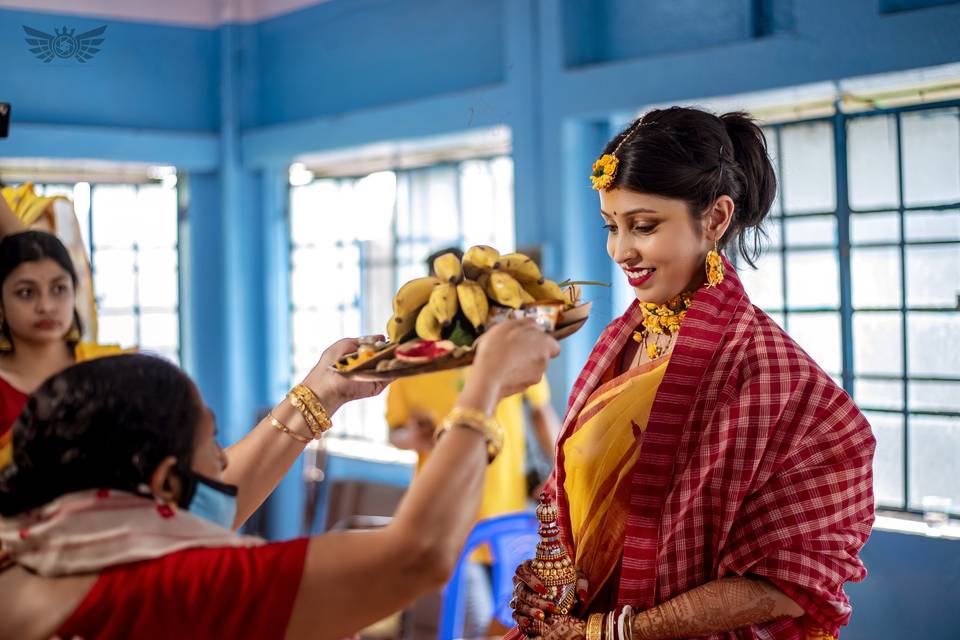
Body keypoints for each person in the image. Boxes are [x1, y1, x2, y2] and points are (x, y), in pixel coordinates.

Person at [508, 107, 875, 640]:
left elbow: (791, 582)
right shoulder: (617, 343)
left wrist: (610, 633)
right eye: (612, 226)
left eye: (644, 226)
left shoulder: (776, 379)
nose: (620, 250)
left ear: (715, 220)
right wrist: (553, 584)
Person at [0, 318, 560, 640]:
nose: (222, 463)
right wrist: (484, 386)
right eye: (211, 445)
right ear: (166, 485)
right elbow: (414, 556)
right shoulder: (172, 589)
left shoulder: (37, 549)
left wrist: (320, 395)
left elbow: (201, 506)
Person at [387, 246, 562, 636]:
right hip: (443, 515)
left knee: (514, 619)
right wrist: (410, 437)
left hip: (507, 513)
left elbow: (541, 413)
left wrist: (560, 472)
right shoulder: (414, 363)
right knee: (475, 620)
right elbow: (395, 432)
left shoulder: (506, 349)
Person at [0, 231, 124, 468]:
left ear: (75, 292)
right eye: (26, 292)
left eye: (59, 289)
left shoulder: (109, 369)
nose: (46, 306)